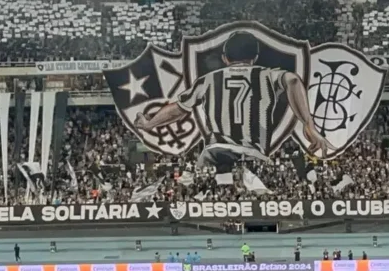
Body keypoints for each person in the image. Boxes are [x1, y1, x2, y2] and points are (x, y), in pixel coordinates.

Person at [135, 31, 336, 171]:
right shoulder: (266, 75)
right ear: (255, 57)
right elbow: (292, 80)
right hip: (252, 153)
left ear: (225, 58)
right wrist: (308, 124)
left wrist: (149, 123)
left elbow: (178, 110)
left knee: (203, 198)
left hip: (215, 151)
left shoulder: (208, 80)